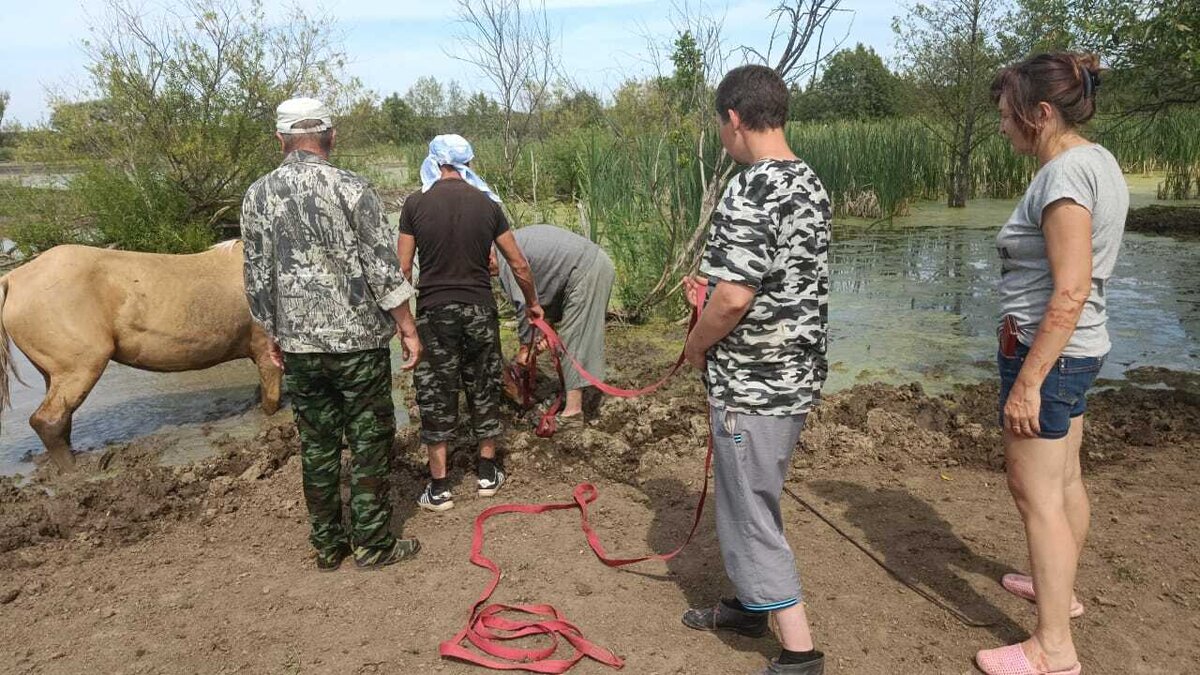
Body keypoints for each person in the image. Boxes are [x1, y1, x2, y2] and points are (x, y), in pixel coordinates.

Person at [975, 53, 1126, 675]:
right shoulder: (1099, 161)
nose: (1004, 128)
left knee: (1034, 490)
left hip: (1049, 353)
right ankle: (1056, 591)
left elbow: (1069, 289)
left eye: (1009, 117)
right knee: (1063, 480)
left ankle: (1052, 649)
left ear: (1040, 114)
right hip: (1078, 350)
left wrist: (1029, 382)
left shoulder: (1063, 176)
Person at [678, 65, 831, 675]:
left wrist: (697, 342)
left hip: (755, 385)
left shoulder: (754, 187)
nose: (722, 133)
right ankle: (749, 602)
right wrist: (713, 296)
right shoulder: (808, 181)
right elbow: (776, 281)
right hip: (793, 377)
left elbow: (736, 297)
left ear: (735, 120)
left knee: (750, 507)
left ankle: (800, 652)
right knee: (750, 494)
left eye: (721, 124)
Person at [241, 97, 423, 571]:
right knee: (369, 442)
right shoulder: (353, 188)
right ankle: (373, 544)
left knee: (317, 445)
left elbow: (257, 277)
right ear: (331, 137)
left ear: (280, 140)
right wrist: (407, 327)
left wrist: (274, 333)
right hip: (358, 343)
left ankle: (327, 546)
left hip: (300, 346)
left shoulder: (257, 195)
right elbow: (382, 270)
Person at [399, 134, 542, 512]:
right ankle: (486, 472)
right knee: (484, 384)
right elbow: (519, 264)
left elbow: (401, 270)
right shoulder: (487, 204)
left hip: (433, 311)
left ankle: (440, 487)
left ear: (434, 161)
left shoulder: (414, 204)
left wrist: (402, 323)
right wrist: (533, 304)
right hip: (479, 309)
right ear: (467, 163)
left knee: (435, 391)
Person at [490, 224, 615, 427]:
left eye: (489, 270)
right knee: (570, 338)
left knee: (575, 337)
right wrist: (540, 335)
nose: (491, 275)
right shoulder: (509, 245)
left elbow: (523, 303)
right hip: (580, 269)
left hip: (588, 269)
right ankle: (572, 392)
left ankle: (573, 412)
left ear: (488, 257)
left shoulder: (505, 257)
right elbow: (538, 297)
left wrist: (525, 348)